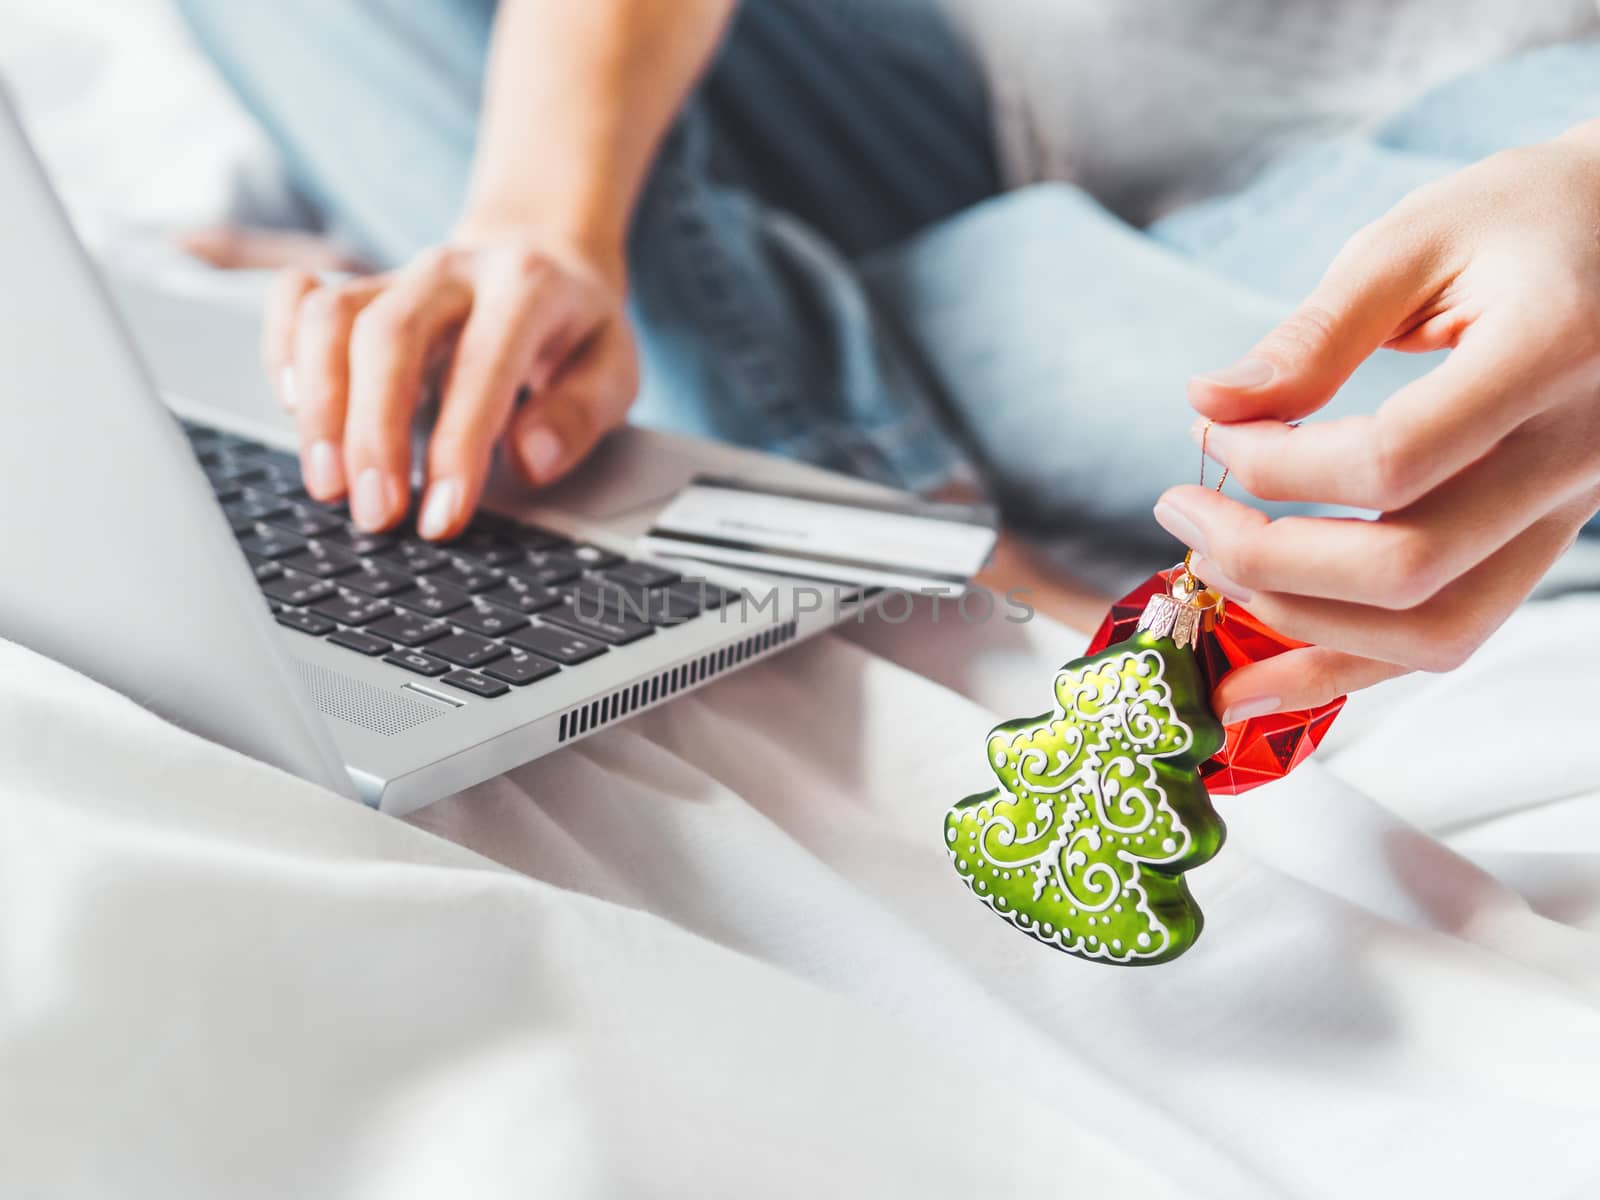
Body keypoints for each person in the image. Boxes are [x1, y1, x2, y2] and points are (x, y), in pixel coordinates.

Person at [172, 0, 1600, 724]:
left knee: (1443, 422)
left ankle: (774, 369)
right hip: (952, 77)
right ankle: (843, 435)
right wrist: (537, 214)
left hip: (1518, 127)